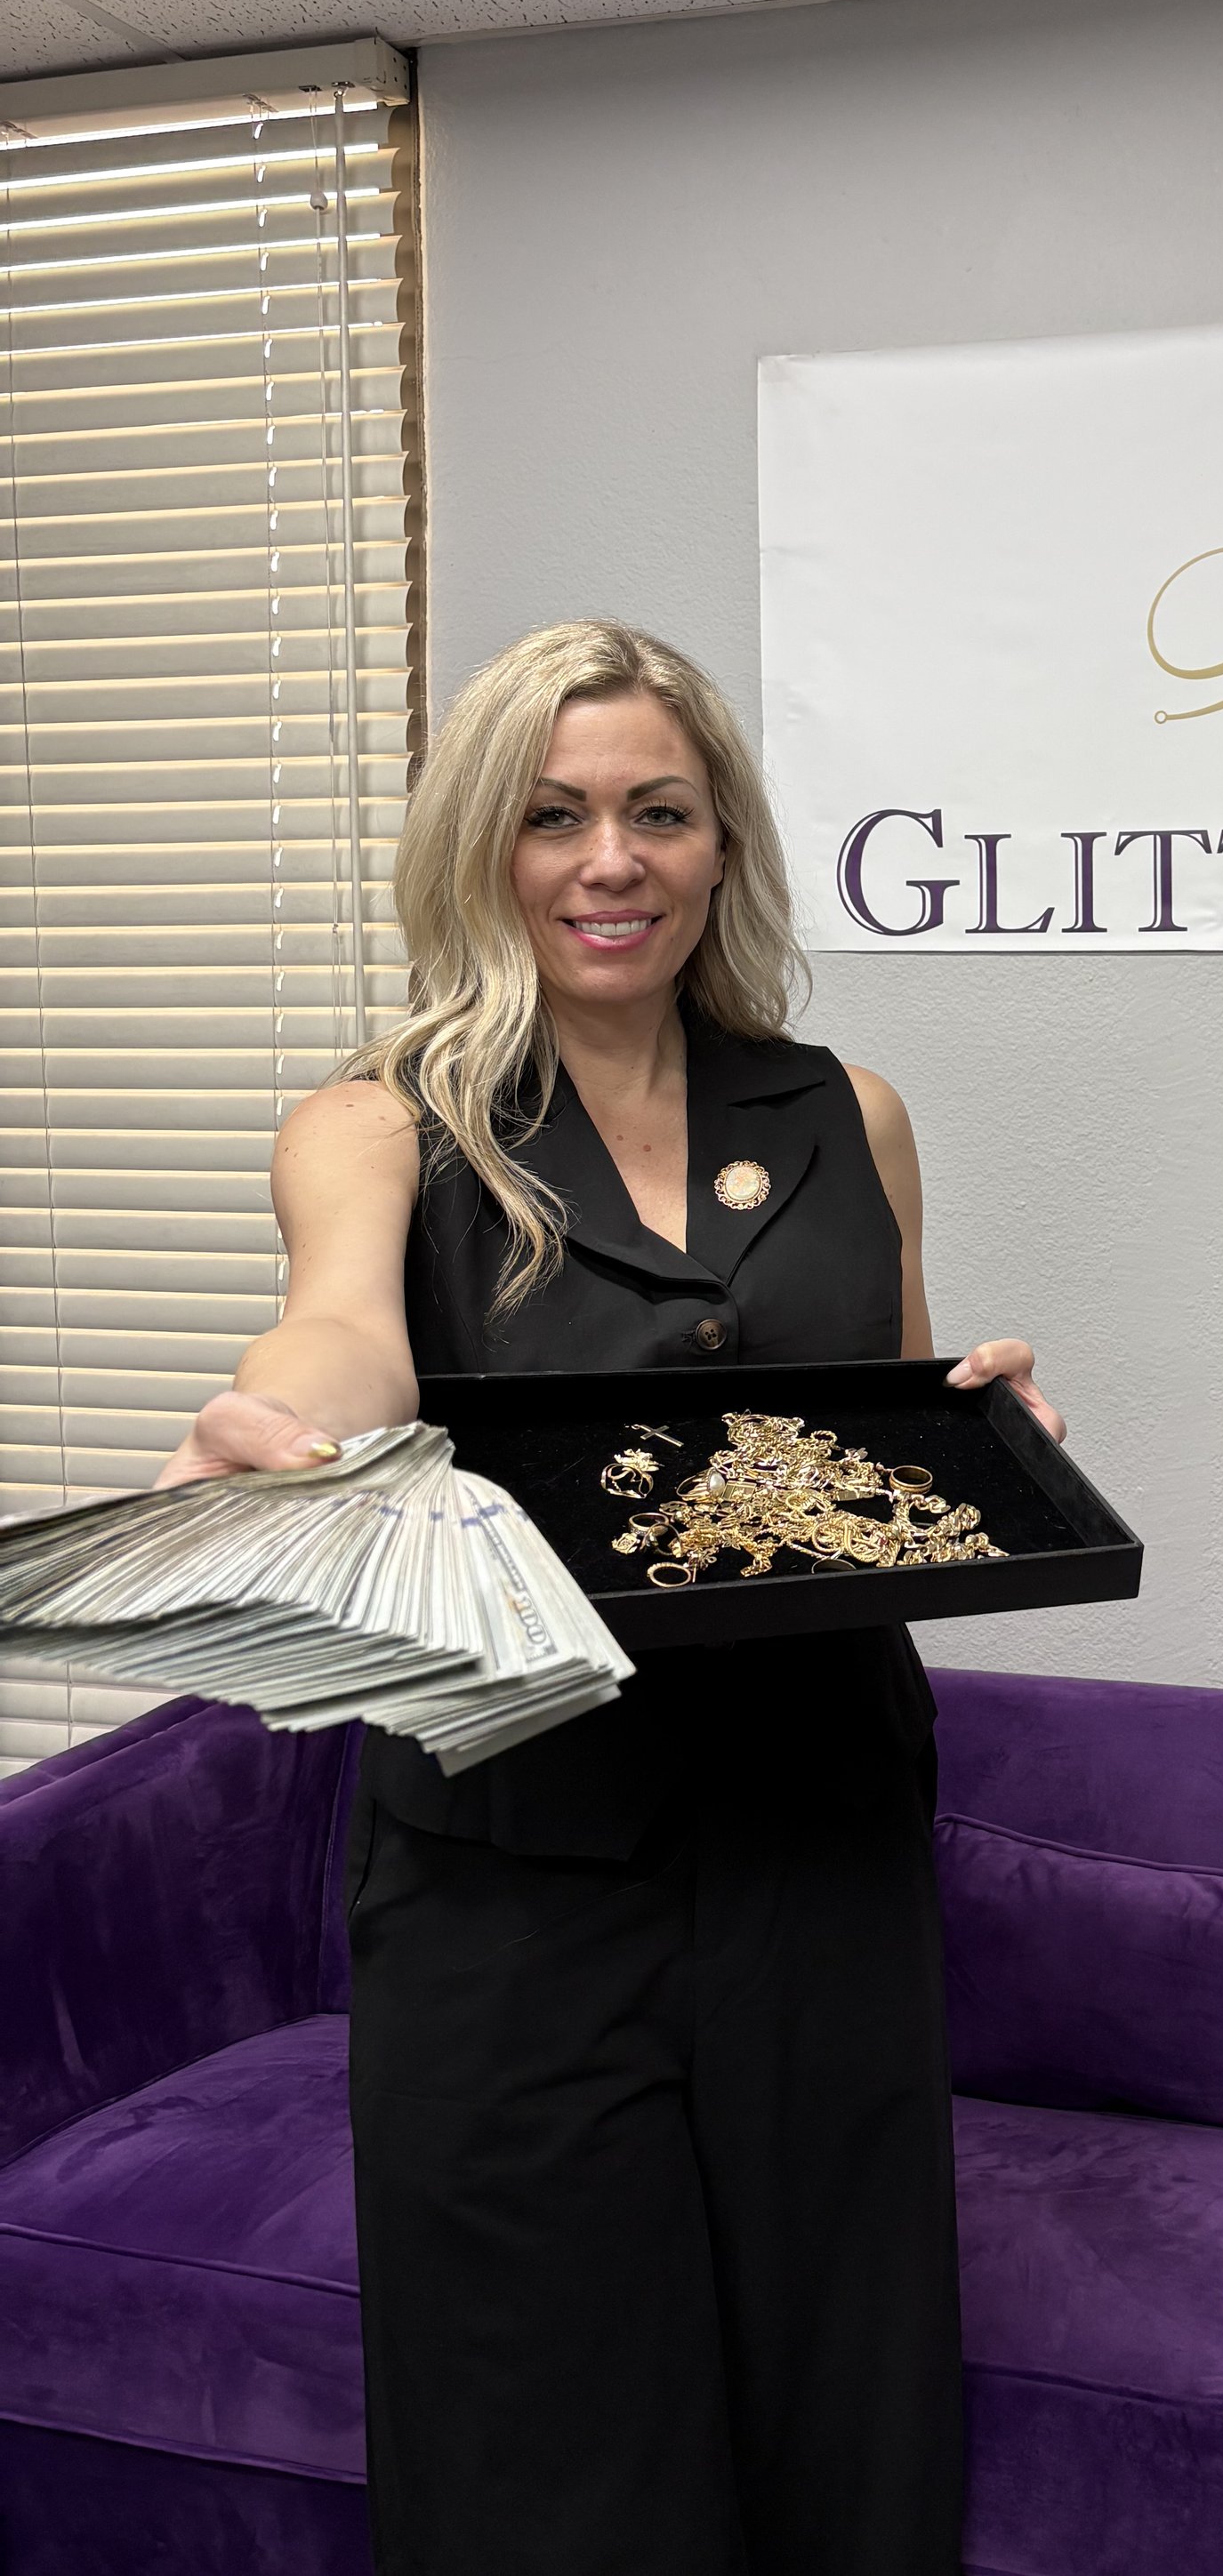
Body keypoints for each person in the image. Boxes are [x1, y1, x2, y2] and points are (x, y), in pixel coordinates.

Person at [157, 619, 1060, 2576]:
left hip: (819, 1850)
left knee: (848, 2412)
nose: (607, 859)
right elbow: (339, 1336)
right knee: (542, 2448)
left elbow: (870, 1436)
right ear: (481, 848)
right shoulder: (381, 1123)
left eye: (657, 810)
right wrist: (280, 1433)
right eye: (552, 815)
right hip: (514, 1878)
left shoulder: (850, 1114)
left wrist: (974, 1436)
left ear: (721, 842)